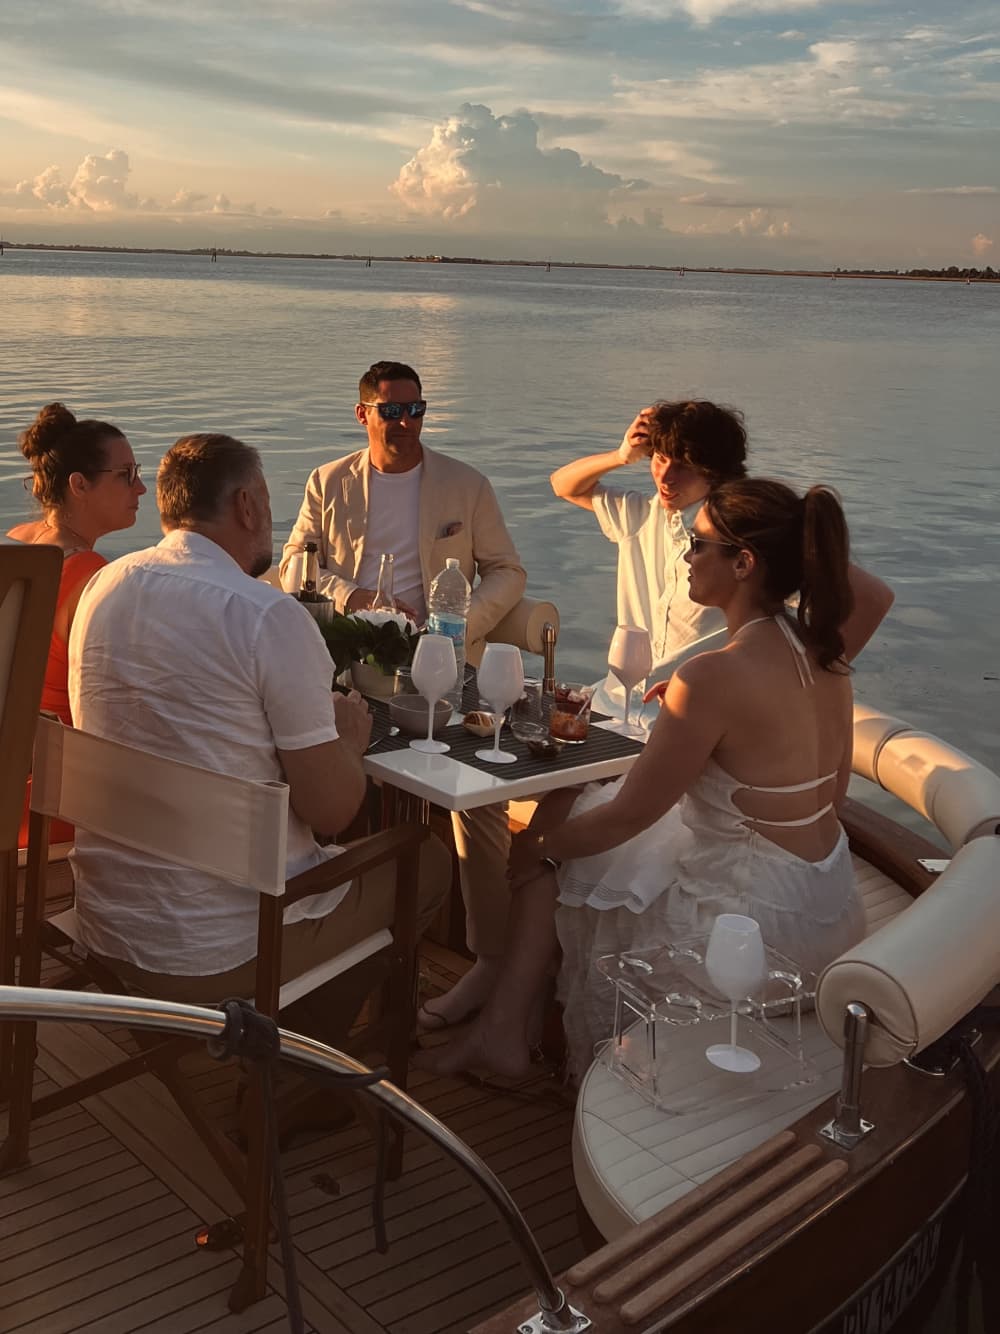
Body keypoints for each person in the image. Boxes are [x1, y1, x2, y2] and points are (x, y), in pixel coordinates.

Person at [422, 478, 865, 1082]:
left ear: (743, 563)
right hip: (823, 912)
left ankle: (503, 1035)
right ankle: (507, 1026)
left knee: (556, 846)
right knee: (579, 825)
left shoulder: (713, 676)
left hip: (746, 939)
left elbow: (632, 815)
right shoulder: (825, 655)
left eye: (696, 543)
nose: (684, 554)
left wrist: (537, 846)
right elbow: (830, 798)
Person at [68, 433, 449, 1038]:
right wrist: (348, 739)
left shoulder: (102, 590)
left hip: (108, 923)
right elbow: (332, 812)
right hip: (223, 950)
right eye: (268, 502)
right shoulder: (267, 616)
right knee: (424, 859)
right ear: (247, 506)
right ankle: (300, 1079)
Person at [280, 361, 527, 1030]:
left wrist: (460, 625)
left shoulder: (465, 485)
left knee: (479, 800)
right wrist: (349, 595)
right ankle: (319, 946)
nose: (406, 423)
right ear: (363, 415)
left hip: (441, 669)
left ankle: (489, 961)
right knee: (310, 779)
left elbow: (508, 569)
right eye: (392, 411)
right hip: (347, 669)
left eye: (416, 409)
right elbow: (295, 568)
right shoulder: (327, 482)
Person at [550, 401, 894, 726]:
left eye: (683, 466)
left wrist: (795, 679)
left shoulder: (748, 530)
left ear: (715, 472)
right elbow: (563, 485)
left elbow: (873, 598)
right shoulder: (643, 514)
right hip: (616, 702)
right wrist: (621, 455)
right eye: (658, 458)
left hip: (696, 714)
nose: (665, 477)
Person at [8, 402, 146, 847]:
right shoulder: (93, 579)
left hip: (14, 790)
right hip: (59, 806)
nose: (141, 488)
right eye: (125, 475)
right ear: (79, 485)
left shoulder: (15, 544)